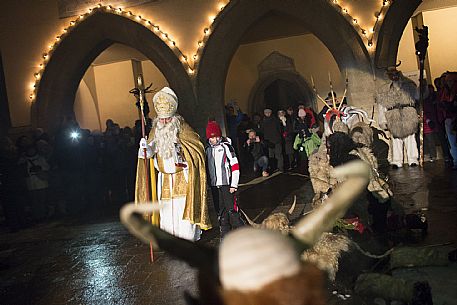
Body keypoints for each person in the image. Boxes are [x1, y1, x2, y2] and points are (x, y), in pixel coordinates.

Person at [136, 87, 211, 241]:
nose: (164, 122)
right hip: (164, 180)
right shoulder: (156, 130)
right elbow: (150, 154)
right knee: (166, 211)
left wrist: (183, 154)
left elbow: (197, 148)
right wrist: (146, 148)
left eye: (167, 119)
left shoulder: (183, 128)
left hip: (182, 178)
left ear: (173, 117)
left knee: (182, 210)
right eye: (161, 119)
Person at [205, 120, 244, 238]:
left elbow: (235, 165)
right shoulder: (207, 150)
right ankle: (225, 235)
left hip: (227, 184)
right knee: (221, 212)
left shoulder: (226, 147)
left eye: (216, 137)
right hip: (214, 185)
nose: (214, 140)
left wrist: (234, 184)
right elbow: (206, 168)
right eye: (211, 138)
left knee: (232, 210)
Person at [376, 67, 420, 168]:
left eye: (396, 74)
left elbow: (418, 96)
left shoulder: (409, 86)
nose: (394, 76)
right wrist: (382, 120)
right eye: (391, 74)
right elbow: (381, 106)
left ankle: (413, 159)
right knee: (395, 138)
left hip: (407, 114)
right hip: (393, 115)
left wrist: (423, 87)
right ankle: (397, 160)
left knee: (410, 137)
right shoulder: (384, 90)